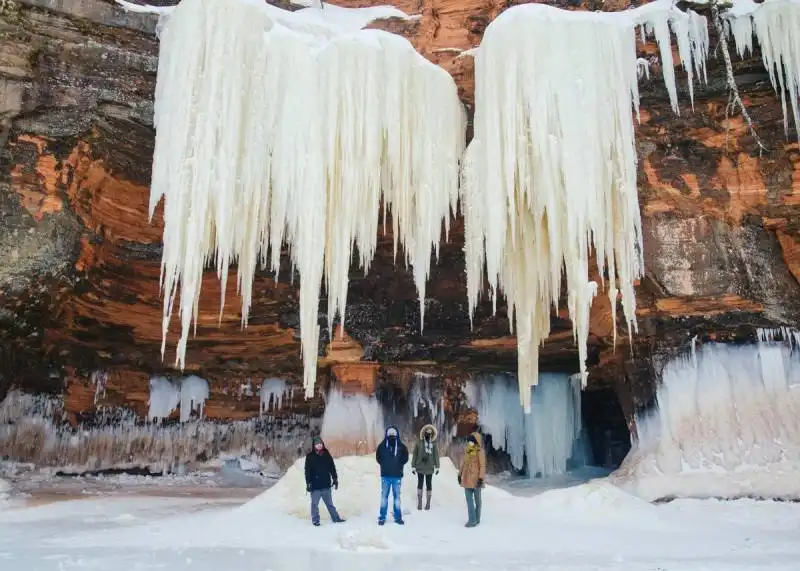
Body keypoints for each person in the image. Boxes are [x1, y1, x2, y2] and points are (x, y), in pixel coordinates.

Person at [304, 435, 346, 527]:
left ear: (322, 444)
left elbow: (332, 467)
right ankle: (315, 520)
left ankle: (336, 518)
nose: (319, 445)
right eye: (317, 444)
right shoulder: (310, 457)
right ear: (314, 446)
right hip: (315, 486)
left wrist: (335, 479)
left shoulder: (326, 454)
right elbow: (307, 471)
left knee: (330, 504)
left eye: (320, 444)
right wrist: (308, 483)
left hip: (326, 485)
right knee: (314, 504)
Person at [375, 425, 409, 525]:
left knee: (384, 497)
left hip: (385, 475)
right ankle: (398, 518)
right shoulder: (401, 446)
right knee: (397, 497)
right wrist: (399, 464)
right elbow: (405, 458)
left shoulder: (382, 445)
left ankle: (382, 518)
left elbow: (378, 458)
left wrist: (384, 464)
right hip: (397, 475)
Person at [458, 431, 486, 528]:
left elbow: (482, 466)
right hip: (466, 478)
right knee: (469, 500)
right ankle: (472, 519)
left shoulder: (480, 452)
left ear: (476, 442)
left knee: (478, 501)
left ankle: (477, 518)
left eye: (471, 441)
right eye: (469, 441)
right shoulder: (467, 450)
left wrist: (481, 479)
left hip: (476, 479)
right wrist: (459, 475)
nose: (469, 443)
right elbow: (463, 463)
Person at [411, 423, 440, 510]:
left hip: (430, 467)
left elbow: (436, 455)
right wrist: (413, 466)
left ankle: (428, 503)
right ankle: (420, 502)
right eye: (427, 433)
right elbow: (415, 454)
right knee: (420, 483)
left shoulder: (434, 444)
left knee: (429, 484)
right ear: (424, 433)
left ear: (432, 434)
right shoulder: (419, 442)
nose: (428, 434)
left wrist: (437, 466)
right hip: (420, 466)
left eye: (430, 433)